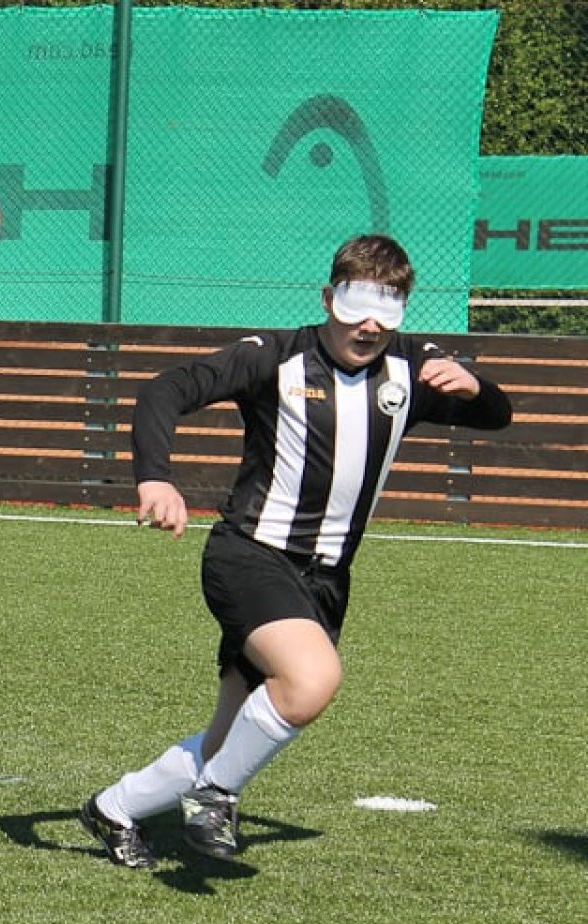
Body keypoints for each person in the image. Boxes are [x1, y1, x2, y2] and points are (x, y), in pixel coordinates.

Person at [79, 234, 513, 870]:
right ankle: (216, 795)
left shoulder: (412, 366)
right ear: (328, 298)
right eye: (356, 305)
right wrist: (154, 476)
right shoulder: (275, 356)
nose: (369, 325)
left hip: (327, 578)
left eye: (386, 311)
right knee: (311, 682)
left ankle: (114, 807)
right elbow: (165, 390)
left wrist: (477, 389)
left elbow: (498, 416)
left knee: (230, 736)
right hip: (251, 554)